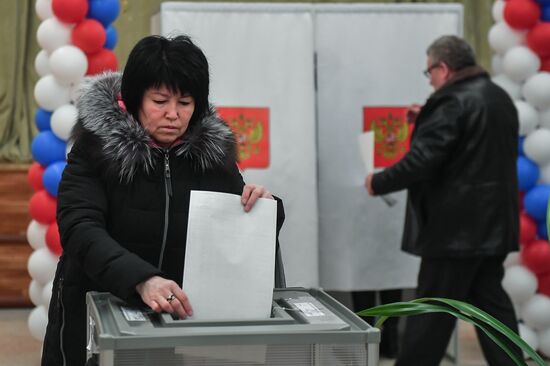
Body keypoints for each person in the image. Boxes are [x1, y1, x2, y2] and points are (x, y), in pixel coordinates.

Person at [41, 35, 285, 366]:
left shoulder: (210, 154)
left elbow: (234, 225)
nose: (173, 114)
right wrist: (142, 279)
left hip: (178, 321)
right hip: (96, 314)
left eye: (185, 103)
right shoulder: (96, 148)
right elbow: (80, 227)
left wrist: (264, 206)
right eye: (160, 101)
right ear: (135, 98)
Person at [365, 35, 521, 366]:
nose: (430, 80)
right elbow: (468, 148)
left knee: (430, 314)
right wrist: (425, 119)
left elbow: (422, 160)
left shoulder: (451, 103)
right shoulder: (498, 97)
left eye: (429, 73)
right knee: (492, 310)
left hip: (455, 233)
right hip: (493, 227)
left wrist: (378, 181)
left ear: (444, 68)